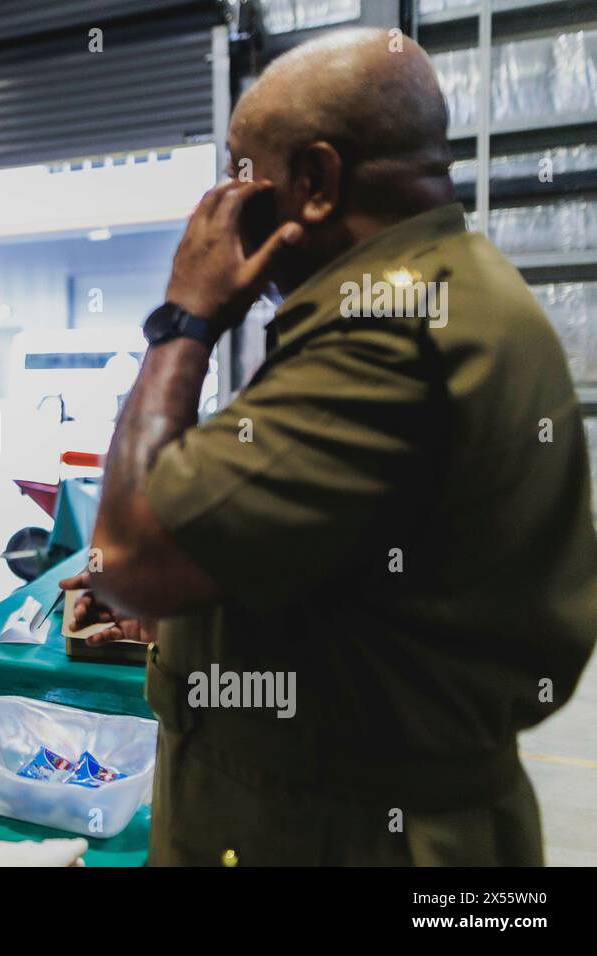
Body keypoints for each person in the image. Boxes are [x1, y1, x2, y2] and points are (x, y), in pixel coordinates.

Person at [64, 27, 597, 866]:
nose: (221, 211)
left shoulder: (387, 335)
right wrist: (187, 611)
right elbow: (337, 559)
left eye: (242, 178)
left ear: (313, 182)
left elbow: (133, 548)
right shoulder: (440, 293)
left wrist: (182, 323)